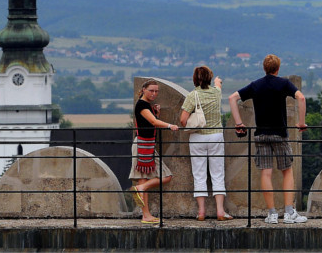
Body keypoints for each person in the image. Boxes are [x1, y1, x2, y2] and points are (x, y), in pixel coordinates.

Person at [228, 54, 308, 224]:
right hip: (279, 134)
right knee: (287, 170)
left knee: (266, 172)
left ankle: (271, 214)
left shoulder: (256, 85)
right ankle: (288, 212)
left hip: (261, 134)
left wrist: (239, 123)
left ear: (264, 68)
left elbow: (232, 98)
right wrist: (301, 123)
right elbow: (301, 97)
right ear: (278, 68)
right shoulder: (283, 84)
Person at [179, 66, 233, 221]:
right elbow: (218, 85)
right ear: (209, 78)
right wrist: (217, 81)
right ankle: (220, 211)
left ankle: (201, 212)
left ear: (195, 79)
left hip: (197, 138)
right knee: (218, 174)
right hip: (216, 136)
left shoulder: (192, 95)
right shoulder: (216, 93)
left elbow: (183, 120)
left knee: (199, 174)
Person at [129, 79, 179, 224]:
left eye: (156, 91)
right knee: (163, 176)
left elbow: (150, 122)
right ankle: (144, 209)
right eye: (151, 90)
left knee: (145, 180)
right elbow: (153, 122)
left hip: (147, 145)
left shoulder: (146, 106)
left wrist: (155, 113)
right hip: (142, 146)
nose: (154, 93)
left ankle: (146, 213)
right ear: (143, 89)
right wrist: (170, 125)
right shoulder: (142, 105)